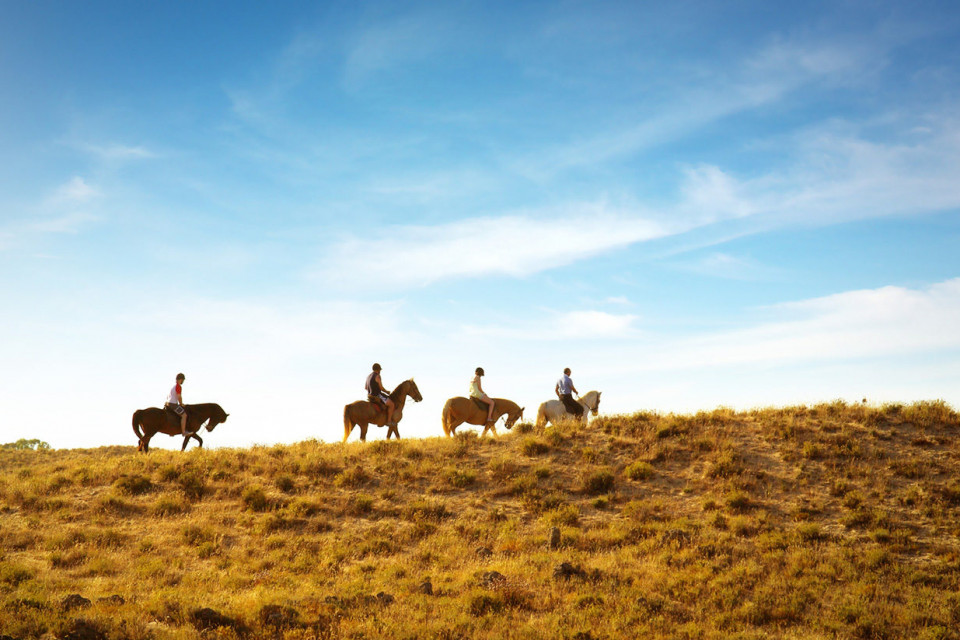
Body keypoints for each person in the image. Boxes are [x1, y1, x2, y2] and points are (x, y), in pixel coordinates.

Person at [165, 373, 191, 437]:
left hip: (167, 403)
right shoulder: (178, 386)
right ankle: (184, 432)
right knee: (184, 415)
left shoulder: (173, 387)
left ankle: (171, 431)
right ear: (180, 379)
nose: (183, 381)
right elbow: (179, 396)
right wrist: (181, 404)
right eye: (183, 380)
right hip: (173, 404)